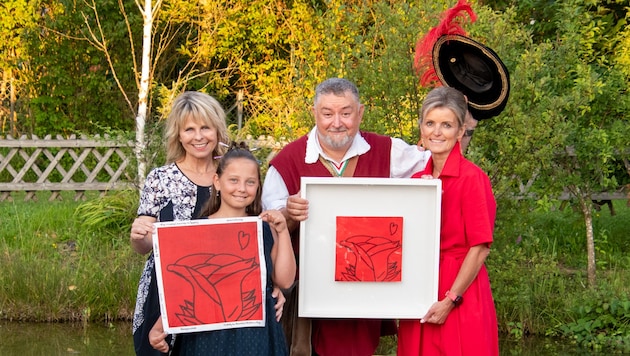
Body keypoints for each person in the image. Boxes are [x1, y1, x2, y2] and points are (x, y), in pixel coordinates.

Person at [261, 78, 475, 356]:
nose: (336, 122)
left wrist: (461, 129)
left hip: (367, 293)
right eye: (327, 113)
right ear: (315, 113)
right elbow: (267, 231)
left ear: (360, 113)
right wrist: (289, 213)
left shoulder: (390, 152)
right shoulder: (285, 162)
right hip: (308, 300)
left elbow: (439, 167)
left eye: (346, 113)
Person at [129, 92, 285, 355]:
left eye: (205, 128)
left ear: (217, 130)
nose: (198, 136)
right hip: (166, 290)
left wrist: (272, 284)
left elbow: (260, 233)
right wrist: (138, 235)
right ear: (178, 135)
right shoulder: (161, 178)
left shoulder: (235, 171)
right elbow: (143, 245)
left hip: (225, 297)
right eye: (189, 129)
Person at [148, 147, 297, 355]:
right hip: (207, 335)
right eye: (233, 180)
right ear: (217, 182)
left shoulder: (264, 228)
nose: (242, 188)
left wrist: (282, 232)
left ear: (258, 187)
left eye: (250, 182)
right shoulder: (196, 229)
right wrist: (161, 325)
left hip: (255, 335)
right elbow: (182, 289)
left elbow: (285, 281)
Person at [397, 86, 498, 355]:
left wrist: (450, 300)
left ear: (460, 131)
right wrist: (423, 198)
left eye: (447, 125)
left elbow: (480, 248)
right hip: (419, 287)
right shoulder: (417, 181)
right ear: (421, 128)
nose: (437, 132)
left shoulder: (473, 179)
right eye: (430, 123)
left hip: (459, 291)